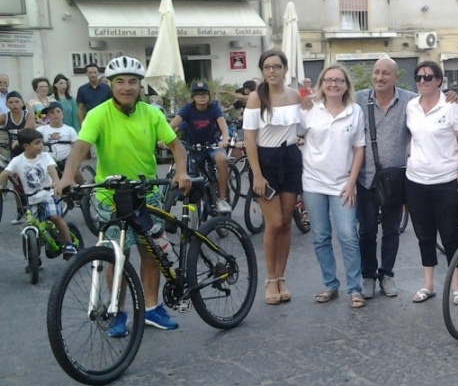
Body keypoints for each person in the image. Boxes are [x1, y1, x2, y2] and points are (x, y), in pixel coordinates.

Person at [56, 56, 192, 335]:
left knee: (150, 253)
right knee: (115, 256)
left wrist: (181, 172)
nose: (127, 87)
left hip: (146, 193)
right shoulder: (98, 114)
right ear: (110, 85)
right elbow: (80, 147)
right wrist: (68, 177)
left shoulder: (152, 114)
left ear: (140, 86)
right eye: (120, 82)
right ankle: (117, 312)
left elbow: (177, 147)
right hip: (111, 196)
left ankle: (153, 309)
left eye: (133, 82)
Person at [299, 64, 366, 308]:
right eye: (328, 80)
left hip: (342, 184)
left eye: (339, 80)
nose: (333, 84)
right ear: (321, 84)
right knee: (321, 237)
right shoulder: (309, 110)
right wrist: (301, 98)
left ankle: (355, 288)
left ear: (346, 85)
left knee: (348, 235)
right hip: (313, 182)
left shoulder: (355, 111)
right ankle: (330, 284)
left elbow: (359, 148)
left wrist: (351, 183)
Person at [243, 49, 304, 306]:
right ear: (262, 70)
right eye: (267, 67)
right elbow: (249, 139)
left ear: (285, 69)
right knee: (274, 222)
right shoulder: (257, 98)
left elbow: (303, 128)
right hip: (265, 162)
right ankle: (270, 279)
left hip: (290, 158)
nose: (272, 71)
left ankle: (281, 277)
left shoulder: (294, 96)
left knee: (288, 221)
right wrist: (257, 174)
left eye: (277, 66)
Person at [405, 61, 458, 303]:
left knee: (450, 234)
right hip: (416, 180)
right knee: (424, 234)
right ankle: (428, 284)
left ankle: (456, 286)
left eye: (429, 77)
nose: (423, 81)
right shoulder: (411, 106)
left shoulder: (452, 105)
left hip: (445, 179)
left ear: (439, 81)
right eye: (419, 77)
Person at [354, 57, 416, 300]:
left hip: (395, 180)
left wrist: (451, 97)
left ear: (395, 77)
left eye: (385, 74)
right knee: (366, 231)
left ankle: (387, 274)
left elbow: (435, 104)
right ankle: (368, 276)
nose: (379, 77)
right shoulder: (358, 98)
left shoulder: (410, 101)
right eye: (376, 72)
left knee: (391, 230)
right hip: (365, 178)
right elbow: (330, 100)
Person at [0, 128, 77, 257]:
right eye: (37, 143)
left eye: (41, 142)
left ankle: (69, 244)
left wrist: (56, 182)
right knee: (33, 225)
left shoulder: (45, 156)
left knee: (54, 217)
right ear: (26, 146)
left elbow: (52, 170)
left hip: (48, 194)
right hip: (32, 199)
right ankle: (33, 259)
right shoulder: (17, 161)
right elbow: (5, 173)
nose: (41, 145)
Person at [168, 80, 232, 214]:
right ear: (193, 97)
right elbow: (171, 126)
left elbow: (222, 125)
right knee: (193, 180)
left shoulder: (214, 108)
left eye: (204, 94)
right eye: (198, 94)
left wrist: (225, 139)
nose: (201, 97)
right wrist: (163, 138)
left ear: (209, 96)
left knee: (222, 160)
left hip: (212, 145)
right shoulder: (187, 109)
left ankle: (221, 199)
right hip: (194, 149)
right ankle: (195, 213)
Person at [37, 102, 78, 178]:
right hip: (48, 161)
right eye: (52, 112)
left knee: (76, 170)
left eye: (58, 111)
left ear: (63, 114)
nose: (55, 114)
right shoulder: (41, 130)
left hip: (67, 160)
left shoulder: (70, 130)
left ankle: (82, 187)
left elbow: (76, 148)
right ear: (48, 116)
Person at [0, 91, 35, 157]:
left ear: (22, 103)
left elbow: (26, 132)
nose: (14, 104)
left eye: (17, 101)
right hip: (9, 148)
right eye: (11, 102)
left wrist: (18, 141)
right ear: (6, 104)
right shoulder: (5, 117)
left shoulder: (28, 116)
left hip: (26, 145)